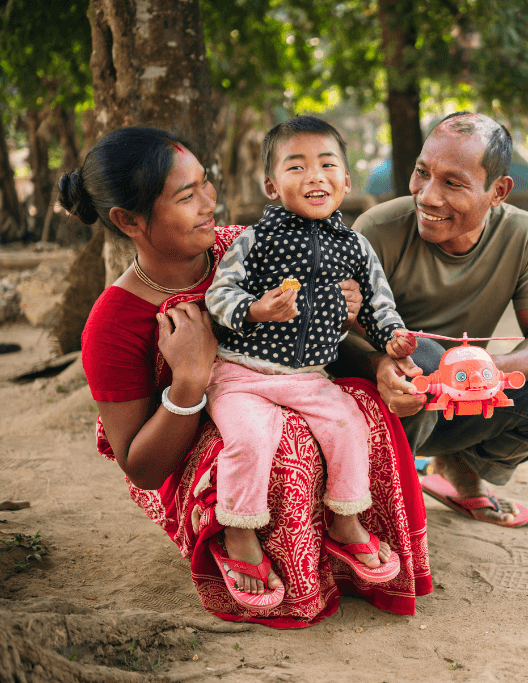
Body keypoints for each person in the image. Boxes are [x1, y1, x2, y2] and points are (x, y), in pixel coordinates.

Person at [59, 126, 430, 628]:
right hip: (190, 443)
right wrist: (189, 379)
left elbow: (316, 353)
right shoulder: (113, 324)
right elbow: (142, 470)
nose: (210, 202)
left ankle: (347, 538)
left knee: (358, 407)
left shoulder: (251, 246)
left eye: (205, 184)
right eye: (187, 196)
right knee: (276, 441)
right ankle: (246, 548)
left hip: (291, 383)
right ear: (129, 220)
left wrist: (375, 357)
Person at [333, 112, 528, 527]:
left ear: (498, 191)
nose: (428, 196)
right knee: (427, 355)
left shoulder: (522, 234)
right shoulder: (378, 229)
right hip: (381, 401)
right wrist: (378, 365)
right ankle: (375, 501)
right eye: (422, 173)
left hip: (461, 399)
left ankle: (460, 466)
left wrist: (485, 371)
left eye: (452, 183)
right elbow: (335, 339)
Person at [204, 116, 417, 605]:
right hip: (241, 372)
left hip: (309, 377)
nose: (315, 176)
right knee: (251, 438)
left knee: (349, 425)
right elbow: (220, 295)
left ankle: (344, 522)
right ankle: (238, 533)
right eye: (296, 167)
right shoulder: (255, 241)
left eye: (327, 165)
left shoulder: (356, 247)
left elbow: (380, 303)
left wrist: (393, 339)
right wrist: (255, 309)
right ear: (272, 186)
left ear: (346, 180)